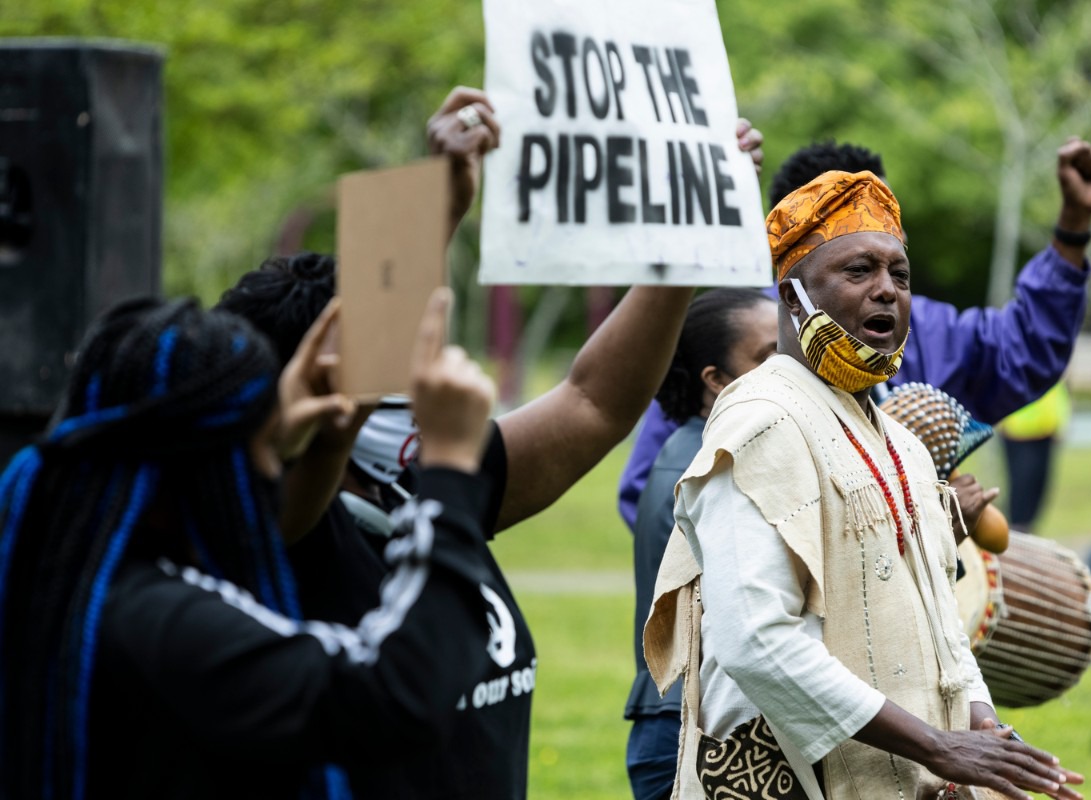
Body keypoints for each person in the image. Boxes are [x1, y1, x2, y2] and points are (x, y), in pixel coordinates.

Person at [217, 86, 766, 799]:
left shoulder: (417, 489)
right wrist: (428, 203)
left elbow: (592, 401)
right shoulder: (270, 529)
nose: (416, 350)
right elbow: (321, 450)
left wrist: (686, 239)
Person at [644, 171, 1085, 799]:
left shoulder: (898, 441)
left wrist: (983, 727)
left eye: (899, 275)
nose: (886, 291)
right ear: (793, 298)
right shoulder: (760, 419)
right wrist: (937, 745)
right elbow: (753, 639)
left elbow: (941, 622)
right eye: (858, 271)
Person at [0, 288, 502, 799]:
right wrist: (450, 472)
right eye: (263, 450)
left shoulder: (60, 572)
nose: (272, 471)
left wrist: (284, 432)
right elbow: (395, 694)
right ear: (199, 467)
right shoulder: (162, 625)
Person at [617, 137, 1091, 531]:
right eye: (857, 264)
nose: (884, 288)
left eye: (896, 266)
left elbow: (1020, 350)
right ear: (795, 277)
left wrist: (1073, 228)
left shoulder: (918, 327)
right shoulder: (730, 342)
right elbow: (655, 494)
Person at [624, 289, 778, 800]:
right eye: (767, 356)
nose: (789, 368)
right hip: (690, 731)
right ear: (714, 380)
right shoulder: (715, 466)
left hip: (681, 723)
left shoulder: (690, 449)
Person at [998, 381, 1071, 531]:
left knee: (1038, 487)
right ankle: (1016, 533)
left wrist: (1061, 419)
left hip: (1046, 429)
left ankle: (1026, 531)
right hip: (1018, 429)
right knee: (1022, 488)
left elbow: (1059, 388)